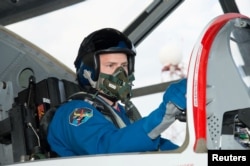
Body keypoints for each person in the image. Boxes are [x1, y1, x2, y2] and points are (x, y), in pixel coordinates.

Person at [47, 28, 187, 157]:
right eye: (110, 65)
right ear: (89, 71)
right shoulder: (75, 112)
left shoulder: (122, 114)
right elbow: (107, 147)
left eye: (124, 66)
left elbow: (160, 148)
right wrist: (164, 114)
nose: (119, 73)